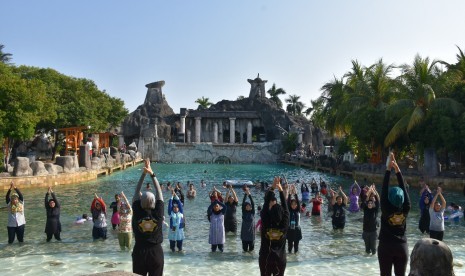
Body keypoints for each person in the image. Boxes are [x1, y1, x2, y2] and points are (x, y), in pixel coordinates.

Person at [378, 152, 411, 276]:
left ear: (389, 197)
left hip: (386, 245)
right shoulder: (406, 207)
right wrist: (397, 169)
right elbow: (403, 188)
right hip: (401, 246)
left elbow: (384, 187)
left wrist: (389, 168)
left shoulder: (385, 207)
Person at [132, 158, 164, 276]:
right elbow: (159, 192)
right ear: (154, 202)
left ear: (141, 202)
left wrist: (143, 174)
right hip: (155, 251)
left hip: (139, 250)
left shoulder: (137, 212)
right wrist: (152, 174)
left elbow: (136, 191)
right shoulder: (158, 214)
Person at [258, 176, 289, 276]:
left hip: (265, 258)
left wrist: (273, 187)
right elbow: (286, 209)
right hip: (280, 259)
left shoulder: (266, 221)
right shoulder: (284, 225)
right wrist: (280, 191)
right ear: (282, 214)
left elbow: (265, 206)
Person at [362, 184, 379, 255]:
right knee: (367, 250)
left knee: (374, 250)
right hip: (366, 231)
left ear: (373, 205)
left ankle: (373, 263)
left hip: (373, 232)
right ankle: (366, 264)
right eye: (368, 203)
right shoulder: (365, 209)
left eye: (371, 203)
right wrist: (369, 190)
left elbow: (377, 199)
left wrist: (374, 191)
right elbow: (365, 198)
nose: (369, 204)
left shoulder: (375, 210)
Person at [168, 187, 185, 252]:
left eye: (177, 207)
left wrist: (175, 195)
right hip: (173, 228)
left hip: (180, 229)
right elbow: (170, 204)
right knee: (172, 244)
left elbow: (179, 203)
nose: (175, 208)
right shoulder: (170, 213)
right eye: (174, 207)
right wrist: (172, 196)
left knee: (180, 246)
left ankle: (180, 251)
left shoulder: (181, 213)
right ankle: (172, 252)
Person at [287, 185, 302, 254]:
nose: (293, 205)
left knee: (296, 247)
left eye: (295, 204)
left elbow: (298, 202)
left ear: (296, 205)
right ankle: (289, 257)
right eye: (292, 204)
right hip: (290, 229)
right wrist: (290, 193)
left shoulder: (298, 210)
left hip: (297, 229)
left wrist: (295, 193)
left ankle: (296, 259)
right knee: (290, 246)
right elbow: (287, 202)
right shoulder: (289, 210)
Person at [241, 186, 255, 252]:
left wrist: (249, 194)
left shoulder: (252, 213)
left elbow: (253, 203)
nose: (248, 207)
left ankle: (250, 262)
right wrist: (245, 194)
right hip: (244, 234)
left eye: (249, 206)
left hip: (251, 234)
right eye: (247, 206)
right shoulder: (244, 213)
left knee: (251, 250)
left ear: (251, 207)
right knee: (244, 250)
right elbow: (243, 202)